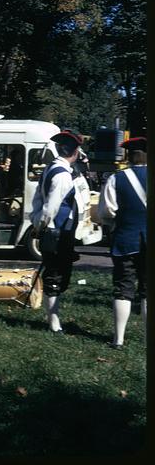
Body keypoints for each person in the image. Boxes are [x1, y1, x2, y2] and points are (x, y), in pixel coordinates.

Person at [29, 130, 84, 334]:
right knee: (56, 276)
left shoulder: (51, 168)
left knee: (56, 274)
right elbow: (50, 208)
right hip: (58, 232)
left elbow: (37, 200)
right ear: (75, 151)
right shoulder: (62, 174)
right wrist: (41, 225)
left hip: (56, 230)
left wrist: (36, 222)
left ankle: (54, 320)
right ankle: (54, 323)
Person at [98, 137, 147, 350]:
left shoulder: (116, 179)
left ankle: (118, 340)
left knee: (123, 289)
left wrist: (115, 223)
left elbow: (105, 212)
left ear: (127, 156)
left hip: (125, 240)